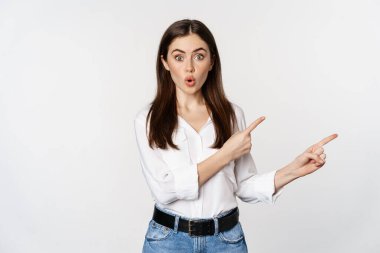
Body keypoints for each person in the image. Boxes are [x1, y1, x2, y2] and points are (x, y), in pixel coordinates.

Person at [134, 19, 338, 253]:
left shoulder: (231, 115)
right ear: (165, 63)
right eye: (179, 57)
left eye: (199, 56)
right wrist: (225, 154)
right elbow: (164, 190)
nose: (189, 67)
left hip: (225, 241)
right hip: (168, 241)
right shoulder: (147, 120)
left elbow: (243, 185)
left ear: (211, 62)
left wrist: (293, 169)